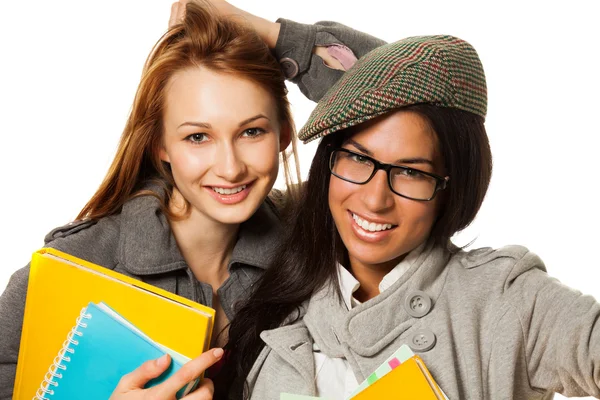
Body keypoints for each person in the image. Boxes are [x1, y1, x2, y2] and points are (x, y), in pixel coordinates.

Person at [0, 1, 391, 398]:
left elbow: (420, 97)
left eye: (252, 132)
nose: (229, 167)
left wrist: (272, 34)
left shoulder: (312, 233)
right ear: (160, 146)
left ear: (283, 135)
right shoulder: (76, 265)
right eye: (197, 137)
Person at [222, 34, 600, 399]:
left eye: (411, 172)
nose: (374, 199)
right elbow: (190, 186)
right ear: (329, 162)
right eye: (357, 157)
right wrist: (237, 25)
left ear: (451, 187)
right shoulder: (277, 276)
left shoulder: (504, 300)